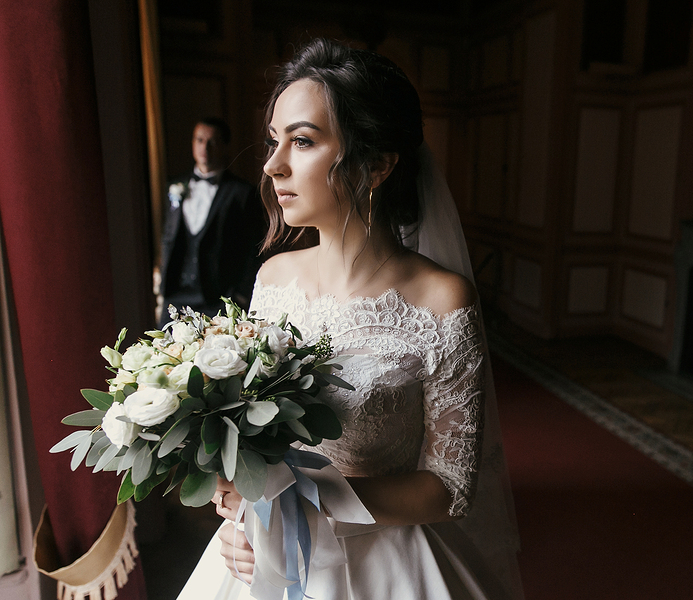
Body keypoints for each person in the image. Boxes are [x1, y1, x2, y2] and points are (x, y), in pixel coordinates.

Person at [177, 39, 523, 600]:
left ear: (377, 164)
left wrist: (309, 508)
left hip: (383, 563)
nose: (272, 164)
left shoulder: (442, 301)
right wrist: (238, 508)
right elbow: (250, 434)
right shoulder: (274, 279)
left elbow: (449, 487)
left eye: (304, 141)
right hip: (266, 559)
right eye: (273, 141)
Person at [157, 117, 265, 327]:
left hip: (217, 299)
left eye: (212, 142)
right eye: (199, 140)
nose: (204, 147)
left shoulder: (242, 193)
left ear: (224, 146)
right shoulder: (175, 186)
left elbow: (254, 247)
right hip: (175, 296)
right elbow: (168, 236)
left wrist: (240, 295)